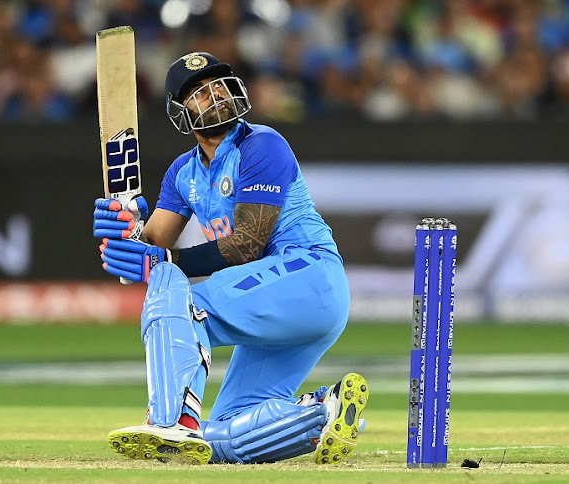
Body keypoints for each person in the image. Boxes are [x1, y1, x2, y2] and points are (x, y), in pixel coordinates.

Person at [93, 52, 368, 465]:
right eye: (200, 92)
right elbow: (152, 248)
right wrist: (125, 230)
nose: (215, 93)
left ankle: (169, 422)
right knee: (223, 434)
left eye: (219, 84)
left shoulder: (261, 145)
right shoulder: (181, 173)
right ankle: (321, 413)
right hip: (282, 302)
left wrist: (158, 260)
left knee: (182, 298)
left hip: (310, 275)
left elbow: (246, 245)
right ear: (180, 113)